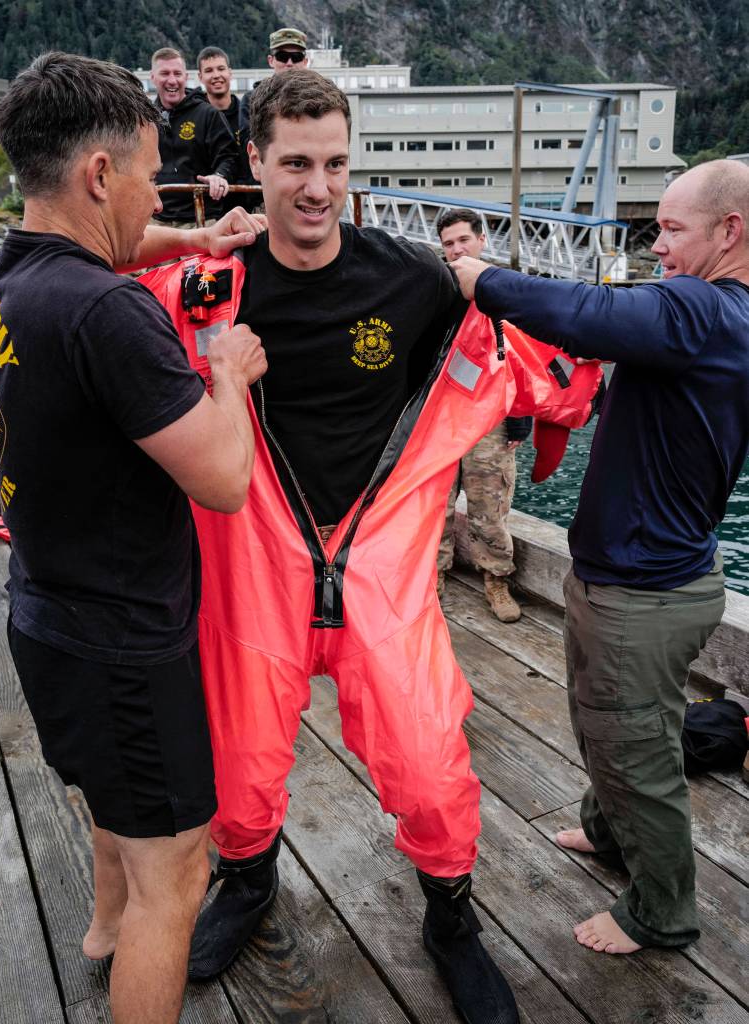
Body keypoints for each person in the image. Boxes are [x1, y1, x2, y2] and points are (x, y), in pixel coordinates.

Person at [141, 68, 603, 1024]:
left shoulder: (413, 277)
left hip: (382, 563)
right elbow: (74, 281)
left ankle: (451, 918)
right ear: (253, 165)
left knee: (430, 759)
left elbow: (513, 347)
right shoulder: (206, 291)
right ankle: (250, 882)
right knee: (240, 757)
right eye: (296, 163)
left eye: (337, 163)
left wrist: (555, 422)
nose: (318, 186)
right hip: (254, 559)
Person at [0, 51, 267, 1024]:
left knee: (110, 806)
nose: (159, 191)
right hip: (124, 650)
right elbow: (226, 482)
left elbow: (113, 251)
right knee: (177, 879)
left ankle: (100, 938)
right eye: (150, 174)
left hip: (43, 613)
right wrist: (226, 368)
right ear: (99, 177)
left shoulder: (12, 276)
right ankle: (130, 943)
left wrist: (196, 233)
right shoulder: (110, 316)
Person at [451, 159, 749, 957]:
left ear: (732, 232)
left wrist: (481, 278)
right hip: (630, 577)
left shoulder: (709, 309)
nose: (658, 248)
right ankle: (606, 833)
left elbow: (587, 311)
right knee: (602, 723)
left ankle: (660, 912)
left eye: (673, 230)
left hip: (645, 593)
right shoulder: (711, 320)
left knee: (638, 749)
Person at [435, 209, 531, 622]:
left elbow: (527, 358)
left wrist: (521, 417)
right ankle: (431, 578)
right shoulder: (435, 290)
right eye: (448, 244)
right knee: (432, 505)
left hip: (490, 419)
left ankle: (496, 580)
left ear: (481, 240)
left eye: (463, 241)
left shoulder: (507, 291)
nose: (456, 250)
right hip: (438, 417)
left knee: (489, 505)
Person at [150, 47, 237, 226]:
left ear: (186, 77)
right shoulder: (145, 118)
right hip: (157, 220)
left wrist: (219, 175)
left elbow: (229, 157)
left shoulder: (208, 114)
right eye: (165, 73)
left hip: (201, 219)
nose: (172, 80)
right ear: (153, 78)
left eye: (177, 73)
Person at [235, 28, 310, 196]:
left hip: (306, 189)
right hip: (264, 192)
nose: (289, 63)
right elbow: (250, 142)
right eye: (282, 56)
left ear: (305, 62)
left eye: (296, 57)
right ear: (271, 60)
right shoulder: (252, 100)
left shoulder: (317, 100)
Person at [197, 45, 256, 214]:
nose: (216, 75)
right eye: (209, 70)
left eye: (221, 69)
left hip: (248, 204)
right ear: (200, 77)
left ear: (230, 72)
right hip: (212, 208)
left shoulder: (246, 115)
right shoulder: (196, 119)